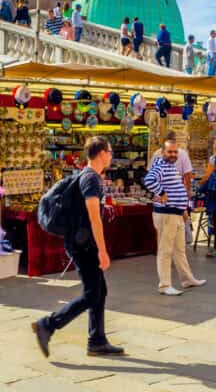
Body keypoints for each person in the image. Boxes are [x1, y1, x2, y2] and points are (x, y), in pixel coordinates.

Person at [32, 137, 124, 357]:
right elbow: (94, 218)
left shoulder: (89, 176)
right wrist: (102, 250)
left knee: (99, 291)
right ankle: (48, 324)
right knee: (92, 294)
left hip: (81, 241)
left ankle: (97, 340)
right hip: (83, 244)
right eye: (110, 151)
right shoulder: (91, 179)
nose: (111, 155)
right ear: (101, 153)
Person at [144, 139, 205, 296]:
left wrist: (182, 208)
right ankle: (165, 285)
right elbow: (148, 180)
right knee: (165, 251)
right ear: (162, 152)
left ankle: (187, 279)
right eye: (170, 152)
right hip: (167, 213)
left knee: (179, 250)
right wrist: (162, 193)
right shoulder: (160, 166)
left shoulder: (170, 166)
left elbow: (176, 187)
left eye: (175, 152)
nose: (173, 154)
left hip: (175, 213)